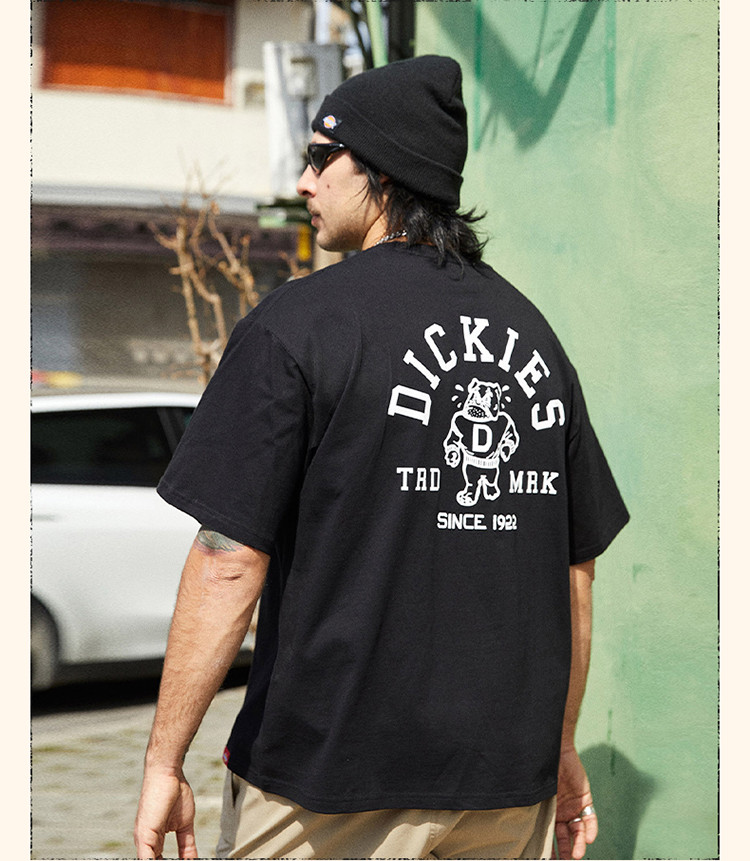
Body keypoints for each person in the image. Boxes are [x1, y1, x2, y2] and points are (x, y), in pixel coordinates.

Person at [134, 55, 629, 860]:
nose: (304, 181)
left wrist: (164, 760)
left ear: (382, 172)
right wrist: (561, 740)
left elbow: (228, 559)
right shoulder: (534, 337)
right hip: (507, 790)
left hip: (332, 792)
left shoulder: (300, 325)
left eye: (320, 156)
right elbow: (576, 569)